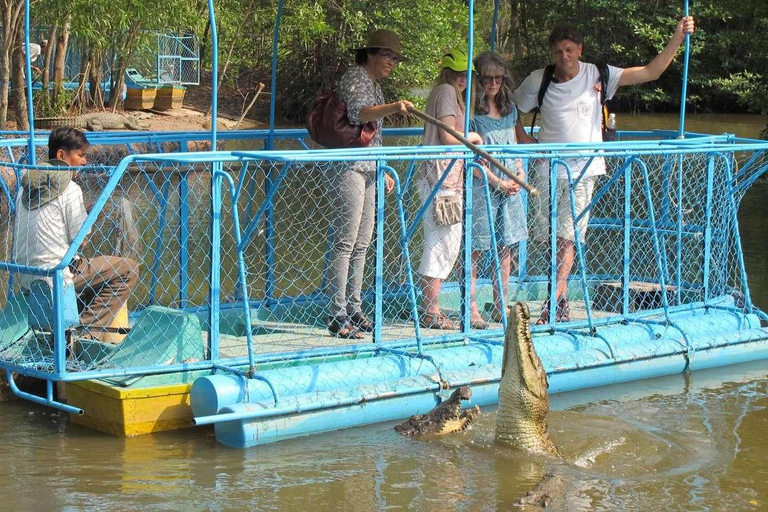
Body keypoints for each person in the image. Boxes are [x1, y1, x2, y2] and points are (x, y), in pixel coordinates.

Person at [513, 17, 695, 324]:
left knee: (567, 237)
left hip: (584, 170)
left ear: (579, 49)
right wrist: (524, 140)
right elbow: (510, 107)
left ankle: (555, 302)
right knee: (550, 238)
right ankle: (556, 298)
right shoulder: (539, 79)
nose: (564, 57)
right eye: (558, 51)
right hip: (547, 168)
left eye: (569, 50)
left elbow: (651, 72)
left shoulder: (598, 74)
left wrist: (678, 37)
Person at [325, 29, 414, 339]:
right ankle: (337, 313)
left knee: (363, 243)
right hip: (348, 167)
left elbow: (372, 135)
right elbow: (358, 114)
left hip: (369, 169)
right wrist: (394, 107)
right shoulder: (356, 77)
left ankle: (355, 308)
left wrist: (383, 168)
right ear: (372, 54)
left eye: (394, 58)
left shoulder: (374, 84)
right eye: (388, 56)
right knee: (346, 242)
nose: (392, 62)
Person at [13, 127, 139, 342]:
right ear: (62, 155)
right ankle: (85, 335)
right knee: (127, 269)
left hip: (23, 274)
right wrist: (92, 217)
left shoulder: (26, 188)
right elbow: (80, 239)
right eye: (80, 155)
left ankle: (69, 328)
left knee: (92, 269)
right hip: (55, 275)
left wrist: (83, 215)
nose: (84, 161)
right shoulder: (70, 189)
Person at [417, 48, 483, 330]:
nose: (463, 80)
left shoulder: (447, 92)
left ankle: (431, 308)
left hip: (445, 178)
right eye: (458, 74)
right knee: (442, 243)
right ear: (448, 74)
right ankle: (430, 311)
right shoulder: (445, 91)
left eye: (467, 75)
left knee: (446, 242)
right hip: (441, 179)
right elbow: (448, 135)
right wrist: (474, 137)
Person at [467, 51, 535, 329]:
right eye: (487, 78)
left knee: (506, 247)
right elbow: (469, 159)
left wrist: (518, 176)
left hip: (510, 186)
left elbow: (515, 147)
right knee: (476, 247)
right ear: (479, 80)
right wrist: (497, 182)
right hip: (483, 186)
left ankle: (499, 304)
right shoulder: (471, 113)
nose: (493, 83)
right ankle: (470, 306)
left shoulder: (510, 110)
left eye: (497, 77)